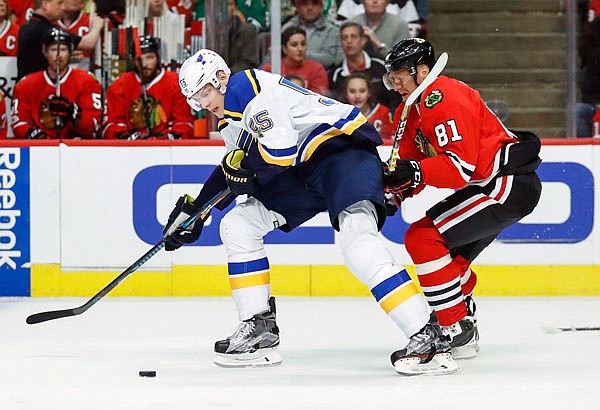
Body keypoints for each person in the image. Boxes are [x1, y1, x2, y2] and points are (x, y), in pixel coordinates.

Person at [162, 48, 458, 376]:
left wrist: (243, 171)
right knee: (237, 224)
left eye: (204, 92)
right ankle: (259, 330)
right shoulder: (231, 117)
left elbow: (277, 153)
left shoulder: (246, 88)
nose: (203, 103)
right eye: (196, 99)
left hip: (342, 153)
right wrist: (196, 210)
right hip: (303, 170)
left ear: (221, 79)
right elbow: (234, 168)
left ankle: (428, 337)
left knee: (358, 243)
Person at [382, 38, 542, 359]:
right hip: (493, 185)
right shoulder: (409, 110)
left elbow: (458, 168)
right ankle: (463, 328)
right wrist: (388, 196)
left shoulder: (442, 96)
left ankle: (452, 327)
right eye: (391, 77)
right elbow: (410, 168)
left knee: (422, 239)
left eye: (401, 76)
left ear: (423, 71)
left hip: (504, 183)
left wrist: (413, 172)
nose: (395, 84)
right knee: (448, 260)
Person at [11, 27, 102, 139]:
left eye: (63, 50)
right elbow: (19, 123)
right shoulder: (26, 85)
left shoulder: (87, 81)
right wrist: (37, 137)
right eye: (53, 50)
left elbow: (93, 126)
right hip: (39, 150)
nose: (58, 55)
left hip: (76, 148)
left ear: (70, 52)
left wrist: (73, 113)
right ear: (45, 52)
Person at [102, 35, 194, 140]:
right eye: (139, 59)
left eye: (149, 58)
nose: (144, 64)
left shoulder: (176, 83)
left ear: (158, 58)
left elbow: (184, 124)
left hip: (166, 150)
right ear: (132, 60)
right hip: (131, 150)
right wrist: (127, 138)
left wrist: (164, 138)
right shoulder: (120, 85)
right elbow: (111, 125)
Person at [16, 0, 103, 81]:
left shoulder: (26, 26)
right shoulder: (46, 30)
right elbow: (88, 44)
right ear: (45, 4)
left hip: (27, 84)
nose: (62, 8)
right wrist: (96, 26)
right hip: (37, 87)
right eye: (59, 3)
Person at [330, 21, 401, 111]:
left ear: (363, 40)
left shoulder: (382, 66)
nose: (349, 41)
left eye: (353, 36)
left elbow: (395, 99)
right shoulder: (335, 76)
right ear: (341, 43)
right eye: (344, 38)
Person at [262, 25, 329, 95]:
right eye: (294, 45)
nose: (300, 49)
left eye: (303, 44)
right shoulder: (270, 69)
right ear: (284, 49)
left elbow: (319, 98)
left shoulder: (317, 69)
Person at [282, 0, 343, 70]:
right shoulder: (286, 28)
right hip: (287, 74)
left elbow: (330, 60)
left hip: (321, 75)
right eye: (304, 4)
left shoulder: (333, 31)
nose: (310, 8)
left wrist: (297, 53)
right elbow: (273, 55)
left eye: (315, 4)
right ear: (298, 7)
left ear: (322, 6)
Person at [342, 72, 393, 140]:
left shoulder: (383, 112)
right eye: (352, 91)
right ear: (345, 94)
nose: (357, 96)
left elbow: (391, 140)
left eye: (362, 91)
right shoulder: (339, 116)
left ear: (369, 92)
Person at [227, 0, 259, 74]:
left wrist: (226, 72)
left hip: (238, 77)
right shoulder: (209, 30)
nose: (224, 9)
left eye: (229, 4)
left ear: (235, 8)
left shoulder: (247, 30)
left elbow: (250, 63)